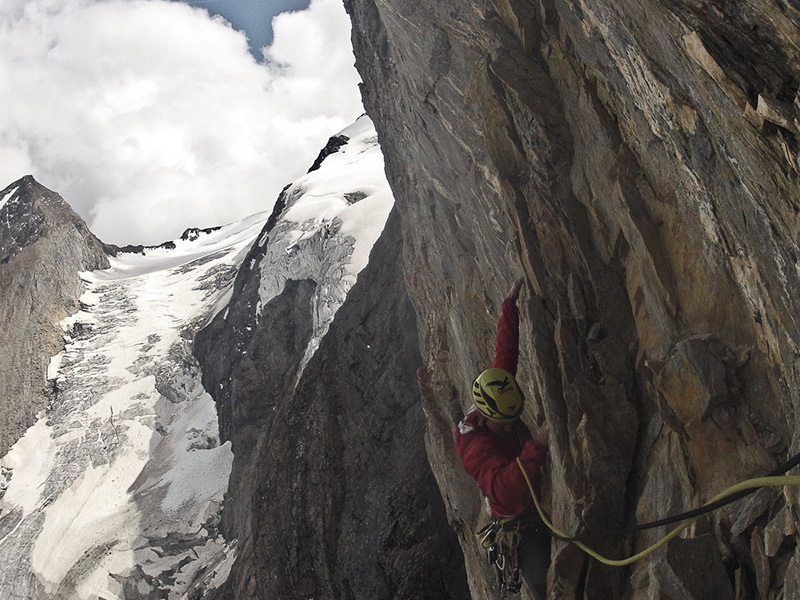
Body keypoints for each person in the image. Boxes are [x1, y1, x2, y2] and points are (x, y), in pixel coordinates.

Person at [455, 278, 550, 599]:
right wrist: (537, 446)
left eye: (512, 421)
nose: (510, 428)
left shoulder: (494, 395)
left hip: (534, 493)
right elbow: (502, 489)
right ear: (483, 416)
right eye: (503, 425)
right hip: (521, 517)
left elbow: (505, 355)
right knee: (543, 581)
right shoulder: (474, 448)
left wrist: (509, 306)